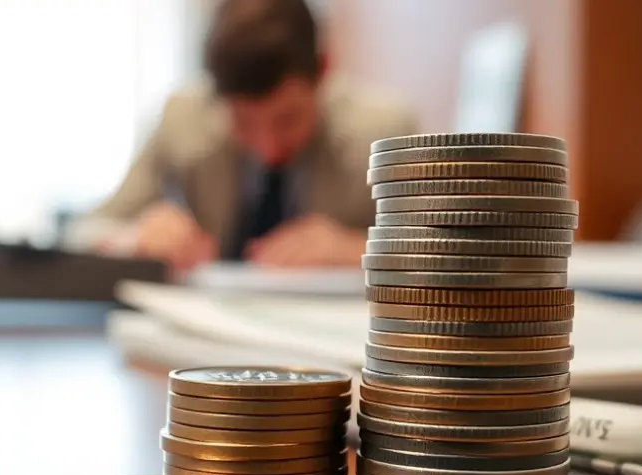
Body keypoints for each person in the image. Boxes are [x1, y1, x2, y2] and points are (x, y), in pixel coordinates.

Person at [76, 0, 418, 273]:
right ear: (215, 95)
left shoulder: (385, 133)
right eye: (243, 122)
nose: (268, 149)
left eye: (287, 119)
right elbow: (85, 232)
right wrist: (134, 237)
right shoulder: (181, 118)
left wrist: (357, 248)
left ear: (324, 68)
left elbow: (441, 251)